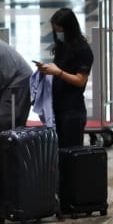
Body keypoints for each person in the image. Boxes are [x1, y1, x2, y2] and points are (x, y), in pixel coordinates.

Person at [35, 8, 93, 148]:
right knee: (57, 152)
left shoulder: (83, 50)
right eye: (56, 30)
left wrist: (58, 72)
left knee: (71, 152)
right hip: (57, 108)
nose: (58, 33)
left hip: (72, 110)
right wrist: (47, 70)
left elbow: (80, 80)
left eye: (60, 30)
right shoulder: (62, 47)